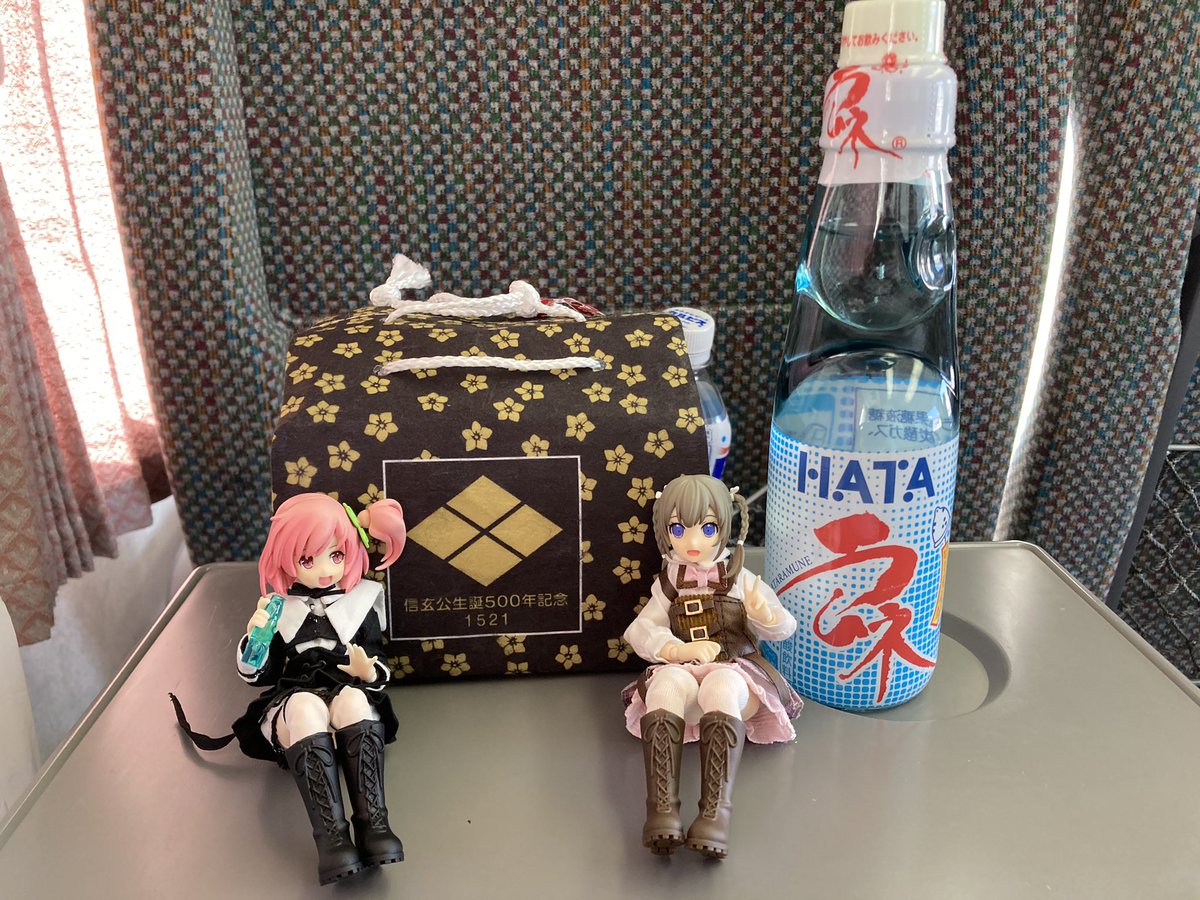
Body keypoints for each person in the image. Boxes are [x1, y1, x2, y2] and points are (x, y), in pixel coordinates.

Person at [171, 492, 407, 885]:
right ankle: (332, 838)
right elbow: (258, 675)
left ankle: (375, 826)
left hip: (346, 698)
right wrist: (256, 643)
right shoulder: (278, 609)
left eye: (336, 555)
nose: (325, 570)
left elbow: (378, 662)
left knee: (353, 699)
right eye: (307, 560)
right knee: (303, 707)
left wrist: (367, 671)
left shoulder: (362, 602)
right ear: (286, 559)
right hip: (296, 706)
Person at [621, 474, 802, 859]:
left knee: (721, 683)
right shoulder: (669, 584)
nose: (693, 541)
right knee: (666, 683)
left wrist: (764, 615)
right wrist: (674, 649)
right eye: (678, 529)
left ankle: (715, 815)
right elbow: (640, 630)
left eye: (707, 528)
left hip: (736, 677)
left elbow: (785, 627)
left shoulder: (739, 579)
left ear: (725, 527)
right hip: (689, 678)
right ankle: (662, 811)